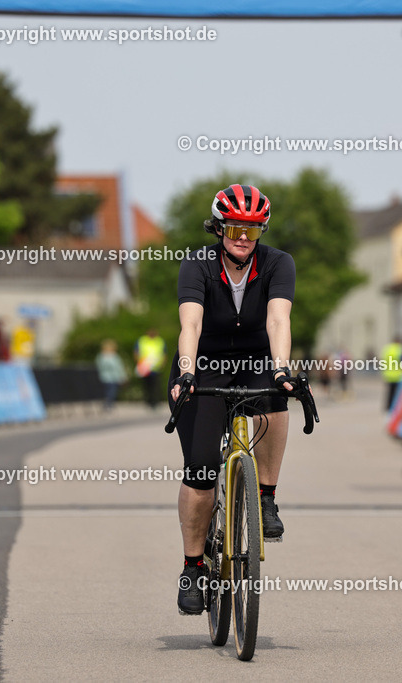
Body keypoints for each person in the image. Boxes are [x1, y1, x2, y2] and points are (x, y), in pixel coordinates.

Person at [168, 184, 300, 615]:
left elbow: (279, 317)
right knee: (202, 470)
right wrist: (187, 372)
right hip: (204, 363)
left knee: (277, 393)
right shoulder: (198, 264)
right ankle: (192, 567)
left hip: (255, 359)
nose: (243, 236)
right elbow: (190, 324)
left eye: (253, 228)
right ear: (219, 227)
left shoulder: (279, 263)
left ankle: (265, 496)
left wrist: (281, 367)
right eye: (235, 227)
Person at [134, 328, 166, 409]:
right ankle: (148, 401)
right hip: (145, 367)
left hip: (156, 367)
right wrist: (139, 363)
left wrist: (163, 363)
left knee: (155, 386)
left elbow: (164, 353)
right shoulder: (142, 340)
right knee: (146, 386)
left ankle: (155, 402)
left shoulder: (160, 341)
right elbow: (136, 352)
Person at [95, 339, 127, 411]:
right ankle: (108, 403)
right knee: (109, 391)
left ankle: (109, 403)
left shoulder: (112, 357)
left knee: (111, 391)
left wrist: (122, 376)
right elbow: (100, 367)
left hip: (111, 377)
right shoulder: (103, 357)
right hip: (106, 377)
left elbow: (119, 367)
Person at [381, 336, 402, 411]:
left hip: (388, 374)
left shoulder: (387, 349)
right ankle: (394, 408)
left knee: (389, 392)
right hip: (398, 375)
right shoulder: (400, 349)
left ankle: (387, 407)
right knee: (396, 394)